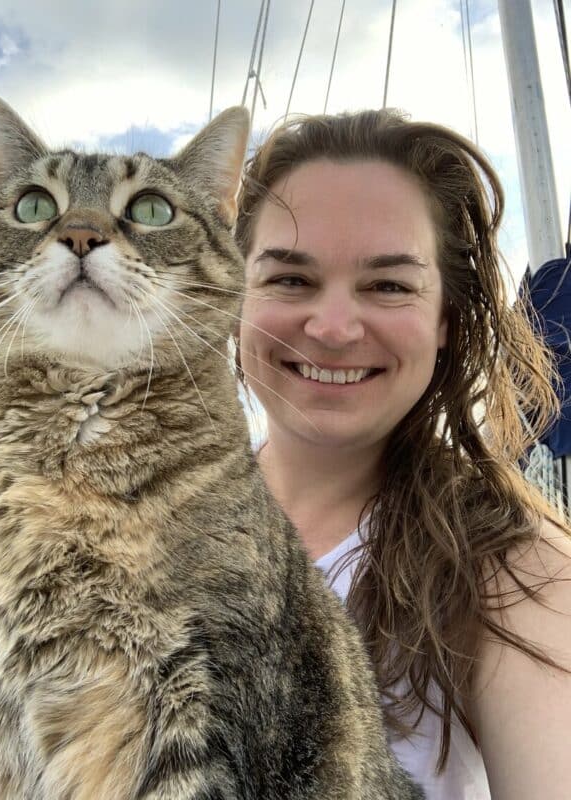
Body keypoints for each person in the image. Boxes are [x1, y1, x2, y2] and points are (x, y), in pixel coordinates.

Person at [233, 109, 571, 800]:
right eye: (290, 280)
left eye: (388, 285)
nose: (330, 328)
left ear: (444, 320)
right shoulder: (118, 526)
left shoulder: (513, 570)